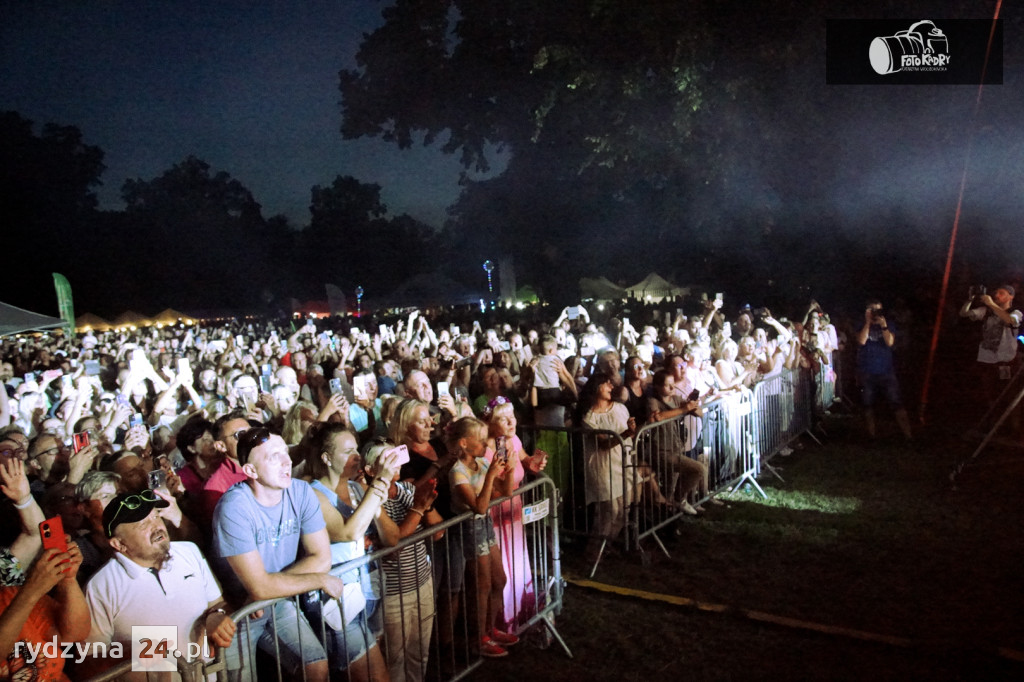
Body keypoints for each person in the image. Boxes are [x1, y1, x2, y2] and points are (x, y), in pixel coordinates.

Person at [211, 427, 346, 682]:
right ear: (250, 471)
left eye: (285, 452)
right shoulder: (234, 507)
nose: (288, 461)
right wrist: (319, 580)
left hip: (272, 602)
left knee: (317, 668)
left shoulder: (301, 491)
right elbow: (261, 586)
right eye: (274, 456)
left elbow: (321, 557)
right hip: (235, 613)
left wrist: (267, 590)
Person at [80, 490, 236, 678]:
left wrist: (216, 616)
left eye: (156, 516)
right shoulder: (101, 586)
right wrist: (129, 653)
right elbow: (88, 661)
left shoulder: (189, 552)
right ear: (119, 544)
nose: (157, 527)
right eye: (143, 524)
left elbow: (218, 604)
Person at [446, 416, 518, 658]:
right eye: (480, 440)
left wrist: (509, 469)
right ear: (464, 443)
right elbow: (479, 506)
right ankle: (478, 639)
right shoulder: (458, 472)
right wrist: (490, 477)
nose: (486, 445)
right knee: (482, 585)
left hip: (484, 526)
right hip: (469, 528)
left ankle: (490, 629)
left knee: (499, 580)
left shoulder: (481, 465)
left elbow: (506, 492)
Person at [481, 399, 545, 634]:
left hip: (514, 512)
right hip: (494, 516)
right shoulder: (484, 450)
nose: (511, 422)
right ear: (489, 423)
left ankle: (520, 613)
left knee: (517, 561)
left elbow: (525, 459)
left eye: (513, 416)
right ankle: (500, 622)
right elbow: (497, 485)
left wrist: (533, 462)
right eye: (503, 418)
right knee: (502, 570)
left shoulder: (513, 440)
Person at [960, 284, 1023, 410]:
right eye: (996, 292)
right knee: (988, 395)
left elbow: (1010, 321)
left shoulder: (1016, 312)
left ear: (1010, 296)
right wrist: (970, 299)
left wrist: (991, 304)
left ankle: (1008, 422)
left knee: (1006, 393)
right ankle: (990, 417)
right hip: (987, 360)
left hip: (1006, 362)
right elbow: (964, 314)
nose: (996, 295)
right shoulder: (987, 311)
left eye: (1001, 293)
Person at [856, 300, 912, 440]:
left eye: (877, 311)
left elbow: (890, 342)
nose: (875, 313)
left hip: (886, 371)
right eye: (872, 310)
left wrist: (884, 326)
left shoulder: (888, 324)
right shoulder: (861, 324)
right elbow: (861, 341)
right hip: (867, 370)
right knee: (867, 405)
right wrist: (868, 322)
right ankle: (871, 436)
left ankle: (908, 436)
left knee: (896, 402)